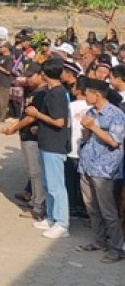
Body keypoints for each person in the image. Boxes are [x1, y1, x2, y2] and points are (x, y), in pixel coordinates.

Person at [74, 78, 124, 263]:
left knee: (108, 211)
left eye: (87, 93)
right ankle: (99, 241)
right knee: (92, 208)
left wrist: (93, 127)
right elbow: (87, 138)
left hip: (105, 169)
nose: (84, 96)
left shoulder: (116, 115)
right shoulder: (90, 112)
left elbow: (114, 141)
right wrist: (85, 129)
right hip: (87, 165)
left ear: (97, 95)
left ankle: (117, 248)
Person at [26, 58, 72, 239]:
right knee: (48, 183)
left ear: (44, 74)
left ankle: (62, 223)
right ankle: (51, 217)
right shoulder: (53, 92)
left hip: (55, 145)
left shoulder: (57, 94)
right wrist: (40, 126)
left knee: (56, 186)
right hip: (47, 143)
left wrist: (37, 115)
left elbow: (59, 122)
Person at [3, 62, 47, 220]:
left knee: (36, 173)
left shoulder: (42, 93)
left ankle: (38, 206)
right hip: (27, 135)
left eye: (30, 76)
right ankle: (34, 200)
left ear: (40, 75)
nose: (27, 79)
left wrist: (14, 128)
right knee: (31, 172)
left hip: (33, 137)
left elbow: (31, 118)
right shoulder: (34, 91)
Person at [65, 77, 89, 219]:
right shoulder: (92, 107)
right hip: (86, 149)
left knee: (71, 180)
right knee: (84, 181)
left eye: (74, 86)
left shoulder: (71, 106)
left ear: (79, 90)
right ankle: (84, 207)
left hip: (72, 148)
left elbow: (67, 126)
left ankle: (73, 207)